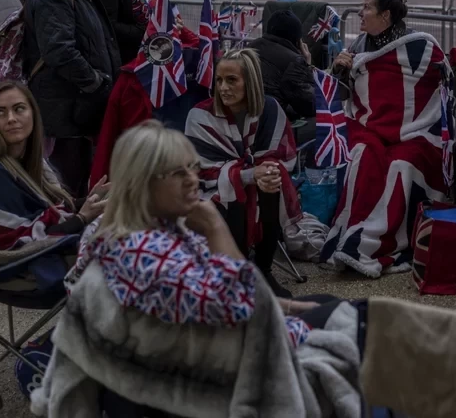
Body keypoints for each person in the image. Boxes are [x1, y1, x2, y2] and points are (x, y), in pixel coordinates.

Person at [35, 121, 348, 415]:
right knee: (349, 325)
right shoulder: (139, 252)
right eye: (178, 172)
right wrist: (214, 226)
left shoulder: (161, 228)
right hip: (206, 376)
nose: (194, 179)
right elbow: (244, 309)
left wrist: (289, 305)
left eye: (193, 168)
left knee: (331, 308)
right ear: (143, 183)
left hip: (215, 349)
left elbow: (242, 296)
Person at [321, 0, 447, 277]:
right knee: (362, 157)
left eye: (366, 7)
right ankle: (352, 236)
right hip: (370, 130)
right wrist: (339, 68)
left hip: (415, 132)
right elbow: (342, 96)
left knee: (402, 165)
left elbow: (443, 83)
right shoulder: (358, 46)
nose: (360, 13)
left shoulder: (419, 44)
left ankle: (381, 243)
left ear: (386, 15)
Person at [185, 49, 303, 297]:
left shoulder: (270, 109)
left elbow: (283, 156)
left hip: (257, 182)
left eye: (231, 80)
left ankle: (263, 269)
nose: (223, 88)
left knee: (272, 183)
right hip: (210, 190)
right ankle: (237, 271)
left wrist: (267, 172)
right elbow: (202, 171)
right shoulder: (199, 115)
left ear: (250, 82)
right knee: (233, 187)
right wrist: (250, 174)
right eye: (219, 80)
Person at [24, 0, 121, 198]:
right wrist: (96, 82)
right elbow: (60, 51)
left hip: (76, 108)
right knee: (71, 190)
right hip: (67, 113)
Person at [0, 82, 108, 249]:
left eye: (19, 109)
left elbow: (49, 212)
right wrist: (81, 218)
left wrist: (89, 201)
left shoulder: (27, 159)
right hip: (16, 269)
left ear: (33, 114)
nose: (11, 119)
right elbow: (19, 242)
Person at [248, 10, 316, 121]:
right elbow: (310, 106)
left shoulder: (250, 47)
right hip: (273, 120)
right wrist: (307, 65)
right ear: (298, 40)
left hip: (247, 113)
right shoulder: (294, 61)